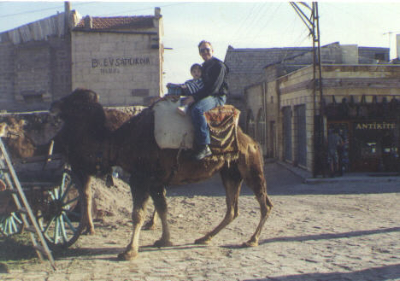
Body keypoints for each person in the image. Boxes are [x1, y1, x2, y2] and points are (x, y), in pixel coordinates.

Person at [182, 40, 229, 160]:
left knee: (198, 110)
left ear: (212, 50)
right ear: (200, 53)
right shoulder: (203, 67)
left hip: (216, 97)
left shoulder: (219, 66)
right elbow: (198, 84)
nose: (205, 52)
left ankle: (204, 146)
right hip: (207, 95)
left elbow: (213, 89)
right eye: (202, 50)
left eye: (207, 49)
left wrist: (194, 97)